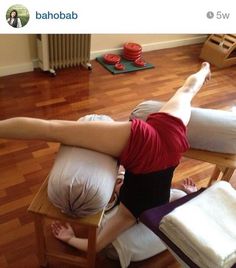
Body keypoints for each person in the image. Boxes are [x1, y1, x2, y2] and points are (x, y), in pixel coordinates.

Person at [0, 62, 211, 253]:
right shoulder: (129, 214)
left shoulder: (165, 199)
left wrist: (190, 193)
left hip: (173, 143)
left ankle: (204, 70)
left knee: (187, 90)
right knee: (54, 129)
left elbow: (181, 198)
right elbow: (96, 245)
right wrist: (70, 239)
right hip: (144, 146)